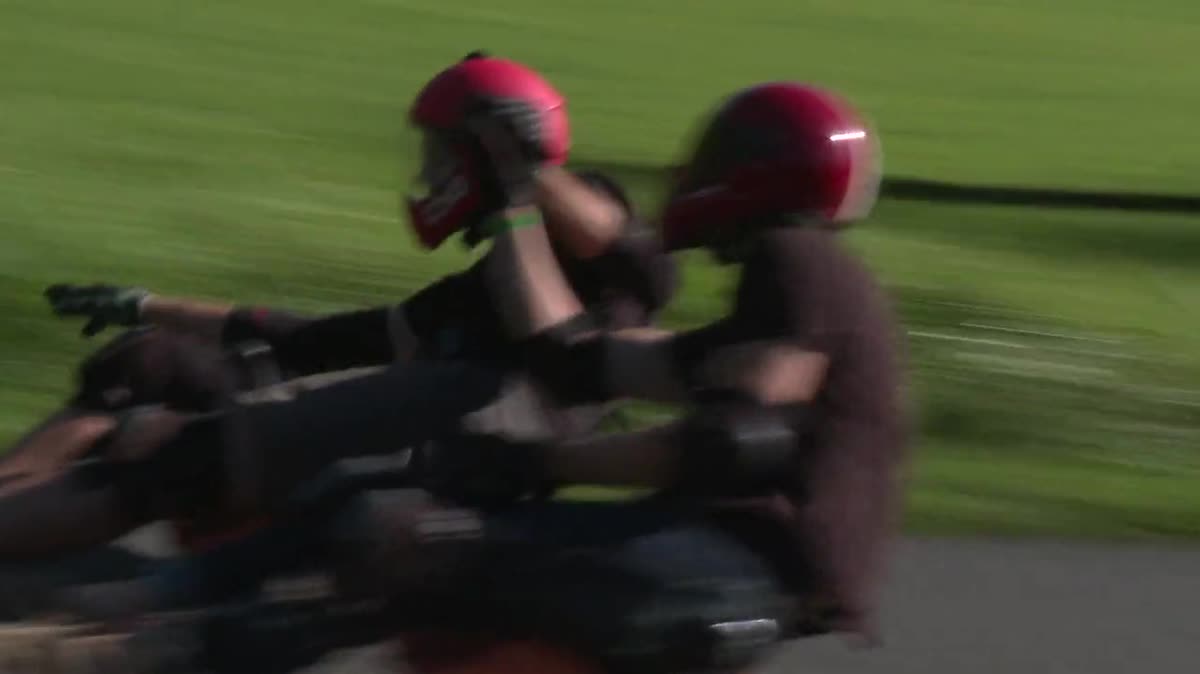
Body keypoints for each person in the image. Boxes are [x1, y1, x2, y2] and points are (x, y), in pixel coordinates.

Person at [47, 81, 907, 674]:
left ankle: (149, 653)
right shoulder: (774, 313)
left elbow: (727, 440)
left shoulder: (797, 262)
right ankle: (161, 612)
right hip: (725, 572)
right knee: (369, 505)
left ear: (759, 166)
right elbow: (572, 353)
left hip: (731, 570)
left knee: (400, 534)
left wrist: (539, 467)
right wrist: (512, 201)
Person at [0, 53, 673, 607]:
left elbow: (579, 303)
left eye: (444, 154)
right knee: (149, 365)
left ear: (491, 154)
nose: (429, 173)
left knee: (164, 456)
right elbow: (320, 340)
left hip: (427, 474)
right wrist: (148, 305)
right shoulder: (483, 285)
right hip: (379, 430)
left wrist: (520, 184)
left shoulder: (617, 279)